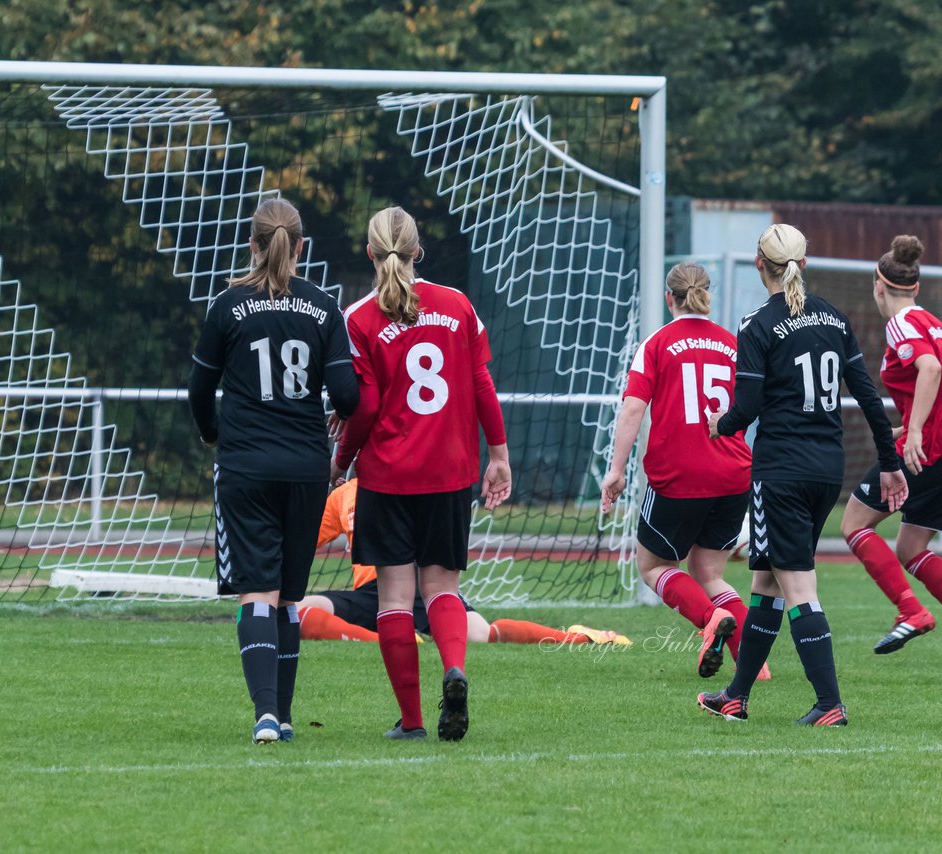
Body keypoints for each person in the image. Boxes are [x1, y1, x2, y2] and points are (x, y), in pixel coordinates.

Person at [698, 223, 907, 727]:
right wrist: (890, 463)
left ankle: (829, 703)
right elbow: (870, 400)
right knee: (766, 581)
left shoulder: (757, 324)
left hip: (782, 472)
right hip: (825, 468)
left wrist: (718, 425)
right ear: (804, 265)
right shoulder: (833, 318)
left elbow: (744, 407)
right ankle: (736, 696)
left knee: (797, 588)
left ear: (759, 265)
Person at [331, 205, 512, 742]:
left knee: (393, 598)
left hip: (389, 476)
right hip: (451, 472)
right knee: (443, 590)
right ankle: (453, 669)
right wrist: (498, 454)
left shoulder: (359, 317)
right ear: (419, 251)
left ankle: (411, 721)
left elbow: (362, 409)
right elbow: (482, 385)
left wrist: (342, 461)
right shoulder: (456, 305)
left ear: (369, 253)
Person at [188, 197, 359, 744]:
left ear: (253, 245)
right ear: (300, 246)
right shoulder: (324, 306)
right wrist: (334, 409)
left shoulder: (227, 304)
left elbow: (198, 389)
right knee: (289, 595)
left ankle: (265, 716)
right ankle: (283, 717)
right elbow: (349, 397)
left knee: (254, 593)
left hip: (245, 466)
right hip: (307, 469)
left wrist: (213, 432)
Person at [600, 262, 760, 681]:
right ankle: (753, 665)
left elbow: (634, 407)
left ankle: (711, 620)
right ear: (709, 295)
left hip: (680, 476)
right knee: (709, 571)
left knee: (652, 566)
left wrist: (616, 470)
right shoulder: (734, 345)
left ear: (668, 297)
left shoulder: (657, 343)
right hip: (733, 474)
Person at [298, 478, 632, 646]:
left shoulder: (405, 481)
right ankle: (389, 639)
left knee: (484, 635)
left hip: (419, 583)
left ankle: (580, 638)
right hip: (372, 590)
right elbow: (303, 542)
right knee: (295, 612)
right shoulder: (343, 495)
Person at [841, 235, 942, 653]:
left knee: (853, 524)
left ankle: (911, 612)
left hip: (927, 451)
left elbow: (931, 368)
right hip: (934, 447)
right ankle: (911, 610)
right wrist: (910, 427)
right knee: (911, 546)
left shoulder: (902, 322)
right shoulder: (934, 323)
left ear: (878, 286)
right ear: (916, 286)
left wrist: (916, 431)